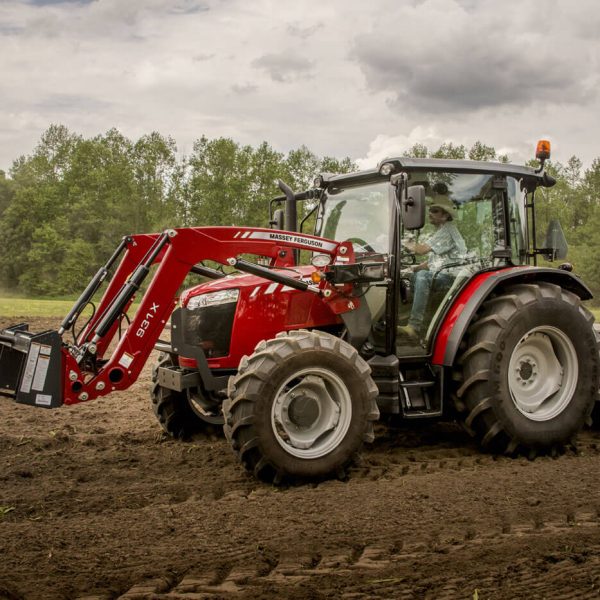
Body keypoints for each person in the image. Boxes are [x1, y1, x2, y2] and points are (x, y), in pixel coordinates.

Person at [399, 193, 466, 338]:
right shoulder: (441, 232)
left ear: (445, 215)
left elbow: (421, 249)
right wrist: (410, 269)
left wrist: (401, 242)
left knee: (422, 277)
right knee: (414, 274)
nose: (430, 213)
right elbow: (432, 263)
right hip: (444, 274)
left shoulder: (447, 230)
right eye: (430, 210)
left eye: (435, 211)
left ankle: (415, 326)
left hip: (453, 279)